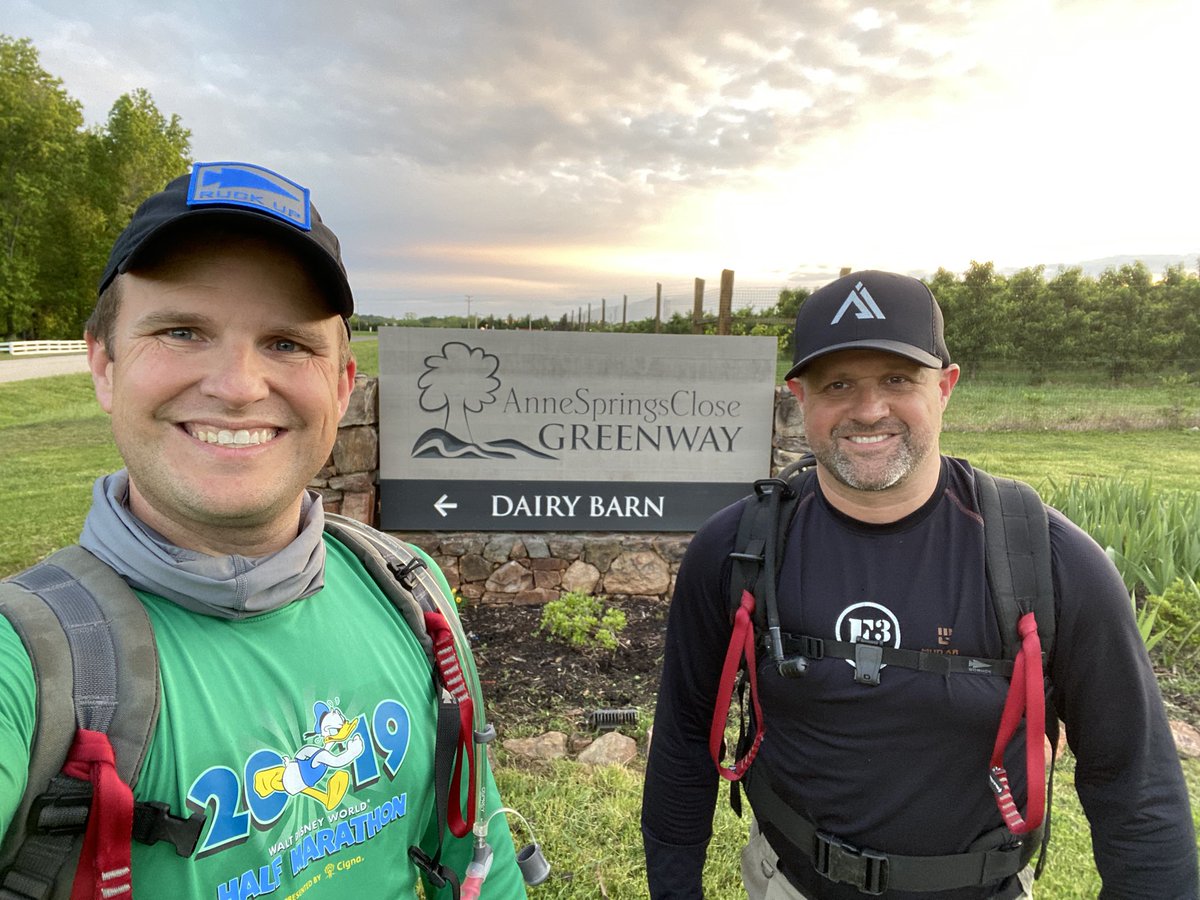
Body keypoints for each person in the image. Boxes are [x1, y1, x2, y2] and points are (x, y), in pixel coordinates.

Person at [0, 161, 528, 898]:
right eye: (182, 331)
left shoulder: (409, 590)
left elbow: (476, 857)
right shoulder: (28, 661)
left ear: (340, 385)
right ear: (104, 365)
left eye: (287, 343)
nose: (239, 386)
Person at [641, 270, 1197, 899]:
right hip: (788, 884)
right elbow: (684, 740)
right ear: (801, 396)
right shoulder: (736, 548)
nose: (868, 409)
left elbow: (1134, 783)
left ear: (946, 386)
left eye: (897, 380)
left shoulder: (1048, 559)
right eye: (838, 384)